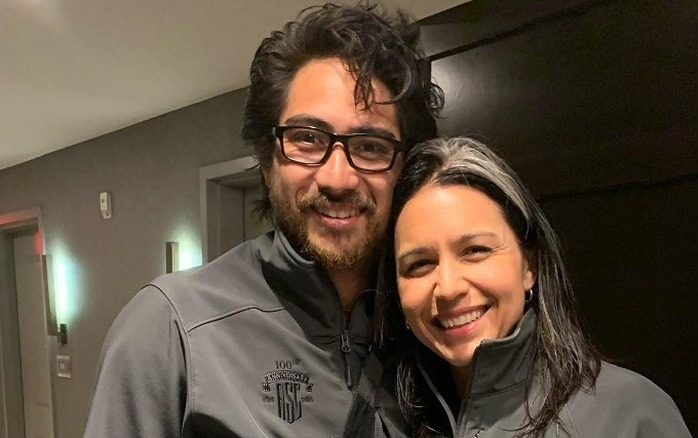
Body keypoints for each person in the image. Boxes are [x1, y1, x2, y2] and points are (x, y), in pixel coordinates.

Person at [83, 2, 442, 436]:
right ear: (267, 160)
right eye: (307, 139)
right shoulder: (171, 328)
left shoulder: (430, 327)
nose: (338, 178)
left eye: (370, 146)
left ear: (406, 168)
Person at [356, 137, 692, 437]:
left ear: (529, 265)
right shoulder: (385, 415)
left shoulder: (627, 413)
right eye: (420, 264)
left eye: (475, 251)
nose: (447, 288)